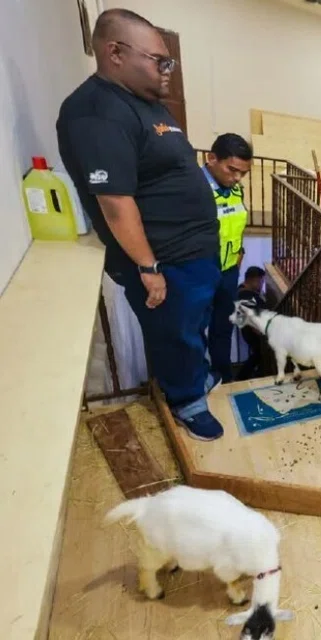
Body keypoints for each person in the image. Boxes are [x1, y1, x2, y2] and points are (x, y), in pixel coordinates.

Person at [57, 9, 224, 441]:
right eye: (159, 60)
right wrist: (148, 268)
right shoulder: (94, 112)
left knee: (191, 326)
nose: (168, 70)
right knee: (174, 332)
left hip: (195, 251)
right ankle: (187, 400)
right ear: (114, 52)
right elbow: (115, 202)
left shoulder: (145, 104)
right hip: (164, 259)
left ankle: (195, 377)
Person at [204, 133, 253, 383]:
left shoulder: (236, 190)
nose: (236, 178)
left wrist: (240, 252)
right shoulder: (195, 189)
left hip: (228, 271)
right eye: (232, 170)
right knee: (191, 332)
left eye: (242, 174)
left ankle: (223, 378)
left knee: (222, 328)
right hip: (200, 273)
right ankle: (198, 381)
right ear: (211, 159)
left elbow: (236, 224)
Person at [236, 266, 267, 381]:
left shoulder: (245, 292)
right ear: (254, 280)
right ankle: (241, 378)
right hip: (253, 331)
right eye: (261, 282)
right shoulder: (246, 295)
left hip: (250, 330)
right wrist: (261, 333)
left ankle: (246, 377)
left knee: (258, 355)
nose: (261, 285)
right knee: (259, 354)